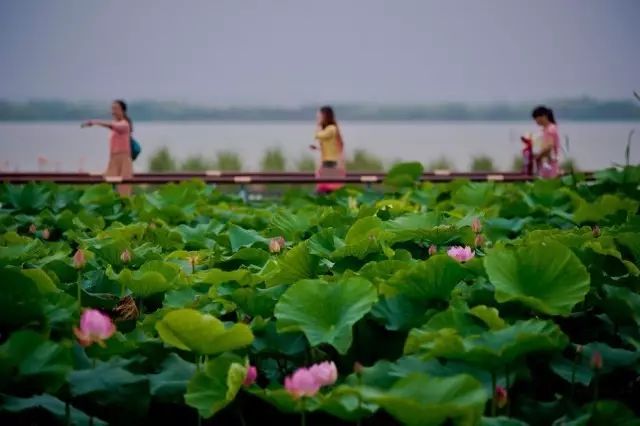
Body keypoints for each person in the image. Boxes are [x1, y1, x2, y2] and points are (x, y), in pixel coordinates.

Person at [81, 100, 133, 196]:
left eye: (116, 108)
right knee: (106, 186)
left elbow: (113, 126)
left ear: (123, 110)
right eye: (112, 109)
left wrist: (95, 122)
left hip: (123, 159)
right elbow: (113, 126)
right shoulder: (116, 124)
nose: (113, 111)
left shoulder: (124, 124)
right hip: (113, 159)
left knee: (124, 190)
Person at [310, 106, 346, 193]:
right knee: (326, 188)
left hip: (330, 163)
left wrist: (318, 126)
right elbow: (330, 147)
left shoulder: (331, 129)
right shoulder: (330, 129)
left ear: (325, 116)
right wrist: (318, 148)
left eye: (319, 116)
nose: (318, 118)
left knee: (325, 188)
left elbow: (318, 135)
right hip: (328, 162)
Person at [531, 105, 561, 178]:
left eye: (536, 118)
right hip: (546, 163)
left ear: (543, 116)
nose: (536, 121)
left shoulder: (550, 129)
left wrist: (538, 156)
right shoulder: (546, 129)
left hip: (549, 163)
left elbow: (549, 147)